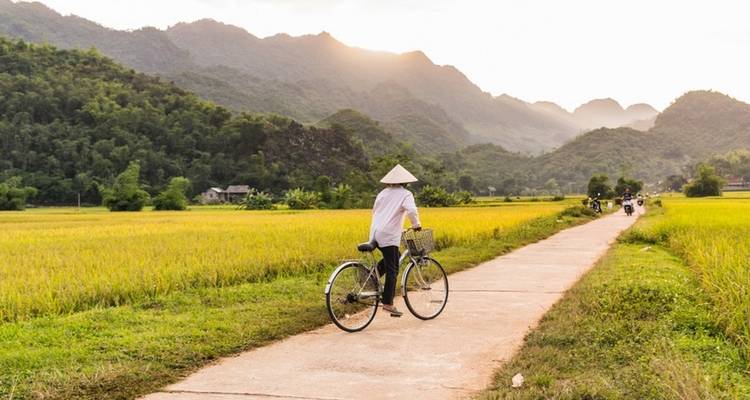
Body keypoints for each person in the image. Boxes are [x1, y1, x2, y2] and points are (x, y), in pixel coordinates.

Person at [369, 164, 421, 317]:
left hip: (375, 231)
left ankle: (371, 277)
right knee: (393, 269)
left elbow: (377, 212)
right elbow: (411, 210)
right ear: (405, 182)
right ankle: (388, 303)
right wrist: (416, 225)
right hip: (389, 234)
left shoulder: (382, 193)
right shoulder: (406, 194)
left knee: (394, 256)